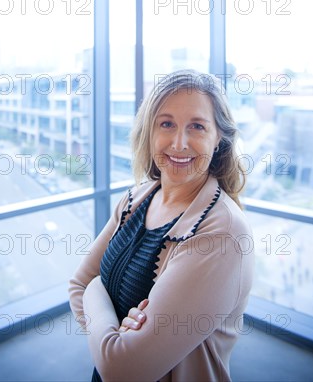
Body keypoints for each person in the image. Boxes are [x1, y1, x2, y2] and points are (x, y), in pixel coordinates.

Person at [69, 69, 254, 382]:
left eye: (197, 126)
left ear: (218, 138)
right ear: (149, 132)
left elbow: (122, 369)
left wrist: (96, 293)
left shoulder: (223, 234)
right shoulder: (136, 198)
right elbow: (78, 285)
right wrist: (112, 340)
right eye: (166, 124)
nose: (179, 143)